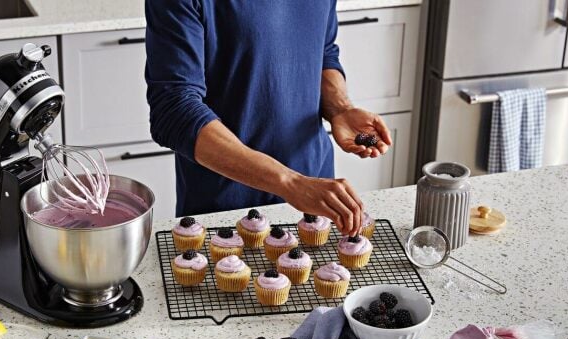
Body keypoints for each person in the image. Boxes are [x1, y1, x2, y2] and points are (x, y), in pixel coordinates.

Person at [145, 0, 391, 236]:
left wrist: (340, 108)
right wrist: (291, 183)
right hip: (224, 211)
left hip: (316, 199)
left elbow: (323, 50)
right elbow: (174, 109)